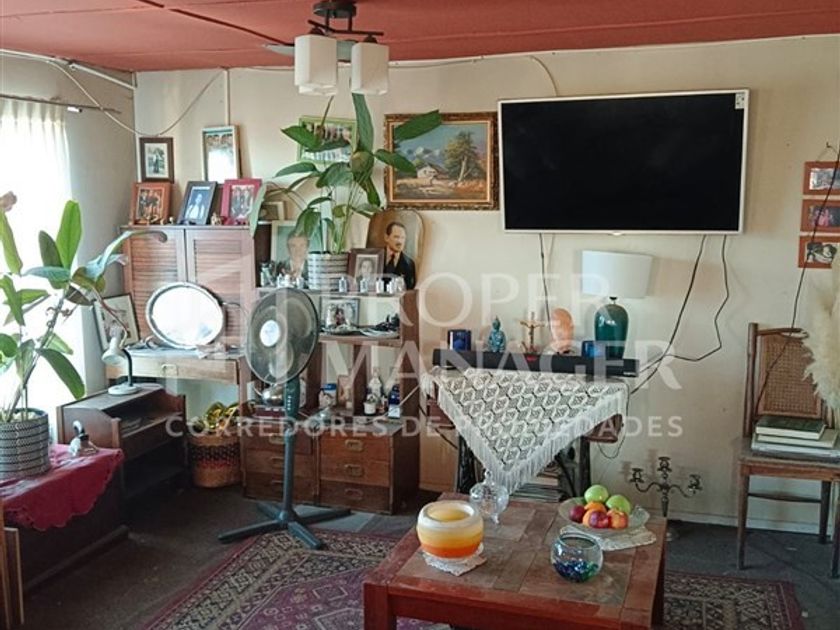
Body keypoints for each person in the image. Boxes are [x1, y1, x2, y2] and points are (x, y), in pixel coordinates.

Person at [382, 221, 416, 289]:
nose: (400, 241)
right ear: (386, 238)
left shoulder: (409, 264)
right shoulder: (375, 257)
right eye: (396, 237)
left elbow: (409, 289)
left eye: (403, 238)